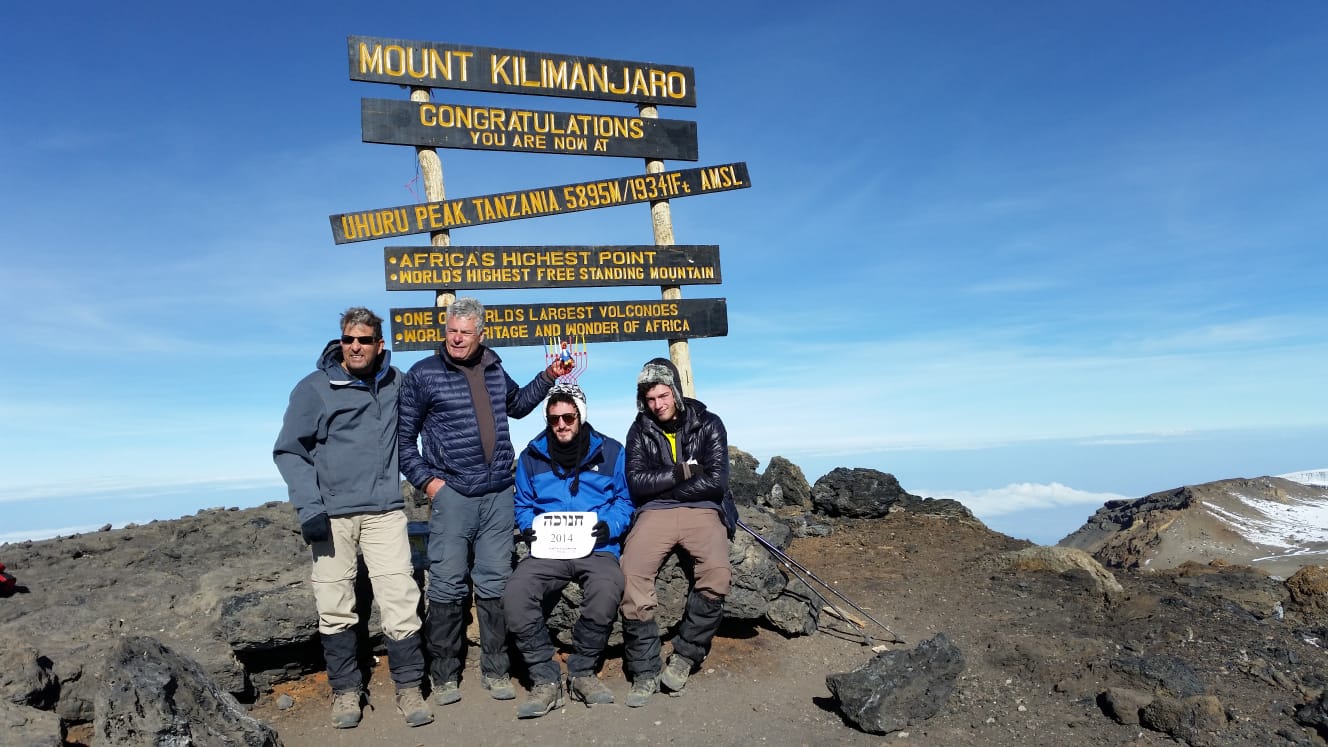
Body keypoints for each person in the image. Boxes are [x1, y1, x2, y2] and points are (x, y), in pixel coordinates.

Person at [398, 297, 574, 706]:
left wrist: (549, 376)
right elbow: (403, 441)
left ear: (481, 334)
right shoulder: (424, 374)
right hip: (453, 494)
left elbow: (517, 405)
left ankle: (496, 671)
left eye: (465, 332)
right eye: (451, 331)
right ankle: (444, 676)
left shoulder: (494, 368)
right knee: (446, 583)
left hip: (497, 493)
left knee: (495, 583)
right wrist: (430, 484)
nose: (457, 339)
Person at [273, 307, 433, 729]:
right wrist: (309, 507)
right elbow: (290, 451)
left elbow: (433, 409)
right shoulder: (314, 388)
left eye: (364, 340)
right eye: (348, 339)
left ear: (380, 345)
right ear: (340, 342)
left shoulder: (397, 382)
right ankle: (346, 691)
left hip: (385, 511)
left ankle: (409, 687)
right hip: (331, 516)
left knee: (400, 600)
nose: (355, 347)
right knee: (335, 605)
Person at [503, 383, 635, 718]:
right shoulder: (531, 456)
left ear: (581, 416)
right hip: (548, 548)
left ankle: (582, 672)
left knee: (608, 587)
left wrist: (610, 525)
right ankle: (545, 679)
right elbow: (523, 504)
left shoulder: (612, 451)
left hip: (596, 547)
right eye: (554, 419)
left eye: (568, 417)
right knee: (516, 592)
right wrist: (529, 527)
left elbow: (624, 500)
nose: (561, 424)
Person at [618, 357, 738, 707]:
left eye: (663, 396)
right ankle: (644, 669)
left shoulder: (709, 423)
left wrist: (665, 488)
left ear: (676, 391)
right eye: (650, 399)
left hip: (703, 510)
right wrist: (681, 472)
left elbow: (716, 482)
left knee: (717, 574)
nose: (657, 405)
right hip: (654, 513)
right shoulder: (638, 430)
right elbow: (637, 484)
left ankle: (685, 655)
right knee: (631, 574)